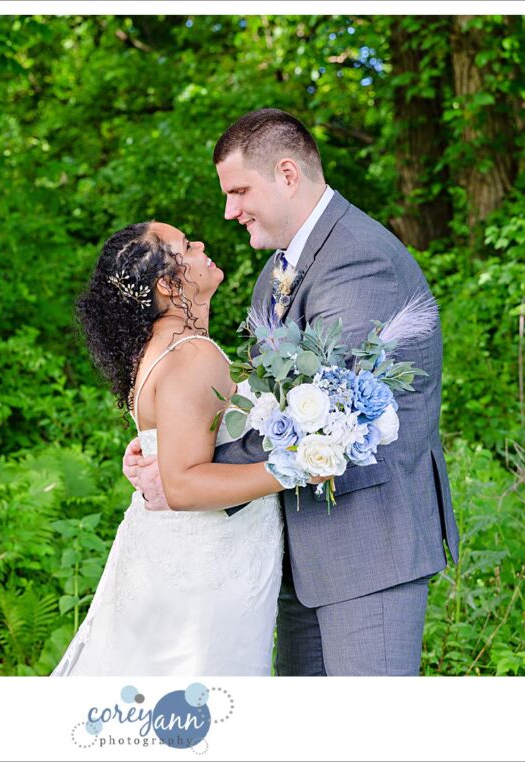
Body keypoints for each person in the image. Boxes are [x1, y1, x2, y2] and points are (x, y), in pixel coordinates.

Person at [124, 108, 459, 676]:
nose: (229, 211)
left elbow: (328, 414)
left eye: (238, 191)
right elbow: (260, 405)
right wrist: (174, 453)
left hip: (365, 545)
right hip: (297, 547)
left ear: (286, 174)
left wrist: (188, 472)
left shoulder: (358, 260)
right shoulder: (276, 270)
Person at [52, 220, 324, 676]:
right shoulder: (191, 353)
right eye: (186, 245)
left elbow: (178, 450)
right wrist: (297, 467)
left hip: (186, 554)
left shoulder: (161, 349)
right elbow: (181, 484)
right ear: (167, 282)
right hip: (205, 568)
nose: (200, 245)